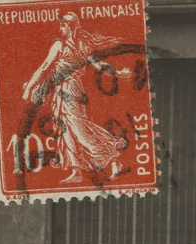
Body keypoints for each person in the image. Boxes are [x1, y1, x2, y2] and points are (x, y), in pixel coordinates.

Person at [21, 13, 131, 183]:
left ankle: (111, 156)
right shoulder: (79, 45)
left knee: (78, 128)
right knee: (66, 130)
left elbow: (44, 68)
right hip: (65, 90)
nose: (61, 29)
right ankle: (76, 171)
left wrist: (29, 88)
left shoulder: (64, 45)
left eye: (63, 25)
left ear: (69, 26)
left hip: (69, 90)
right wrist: (119, 73)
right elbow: (99, 66)